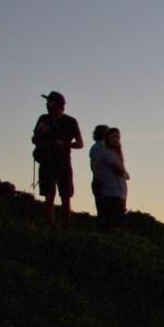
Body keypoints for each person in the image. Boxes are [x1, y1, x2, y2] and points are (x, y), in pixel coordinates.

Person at [32, 91, 84, 228]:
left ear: (59, 105)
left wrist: (64, 144)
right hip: (46, 162)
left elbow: (80, 144)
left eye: (50, 102)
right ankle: (50, 225)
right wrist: (39, 135)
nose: (47, 105)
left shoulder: (70, 121)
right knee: (48, 195)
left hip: (63, 163)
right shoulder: (43, 119)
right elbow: (34, 139)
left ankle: (65, 226)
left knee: (65, 196)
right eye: (47, 102)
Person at [90, 127, 130, 232]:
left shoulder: (114, 154)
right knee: (110, 222)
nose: (116, 139)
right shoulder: (103, 152)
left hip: (118, 191)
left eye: (118, 137)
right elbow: (119, 169)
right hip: (110, 191)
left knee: (115, 222)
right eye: (113, 137)